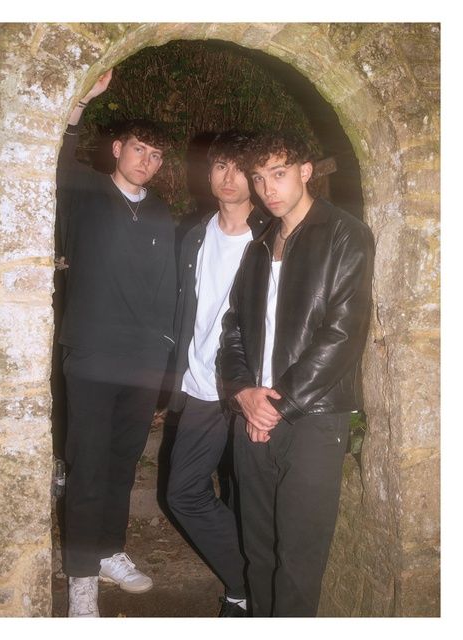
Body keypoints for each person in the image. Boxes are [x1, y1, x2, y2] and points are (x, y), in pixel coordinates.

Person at [218, 131, 374, 617]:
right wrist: (243, 393)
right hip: (253, 415)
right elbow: (234, 329)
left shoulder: (345, 234)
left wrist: (277, 405)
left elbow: (343, 334)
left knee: (299, 560)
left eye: (279, 174)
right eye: (259, 178)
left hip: (313, 418)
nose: (268, 189)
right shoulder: (259, 245)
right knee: (258, 550)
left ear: (306, 172)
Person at [56, 69, 176, 617]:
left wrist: (165, 361)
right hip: (91, 355)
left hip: (143, 361)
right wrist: (81, 102)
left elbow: (167, 288)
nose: (146, 160)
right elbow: (59, 158)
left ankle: (108, 551)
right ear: (117, 148)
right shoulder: (85, 190)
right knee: (87, 465)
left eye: (156, 154)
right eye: (138, 148)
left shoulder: (161, 212)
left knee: (123, 464)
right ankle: (81, 579)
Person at [166, 131, 271, 617]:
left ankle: (243, 593)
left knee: (250, 497)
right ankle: (246, 581)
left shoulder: (272, 237)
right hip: (202, 387)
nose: (228, 177)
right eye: (220, 166)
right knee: (184, 493)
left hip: (252, 387)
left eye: (239, 168)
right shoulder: (194, 233)